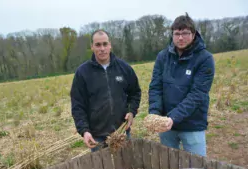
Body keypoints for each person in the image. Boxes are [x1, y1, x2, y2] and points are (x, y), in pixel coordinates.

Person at [148, 13, 215, 157]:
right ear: (172, 35)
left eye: (185, 33)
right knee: (169, 164)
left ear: (193, 34)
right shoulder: (162, 56)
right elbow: (155, 87)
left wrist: (173, 117)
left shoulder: (205, 59)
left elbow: (197, 95)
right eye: (177, 33)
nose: (180, 38)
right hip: (166, 125)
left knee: (196, 168)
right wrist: (155, 113)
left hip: (192, 125)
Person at [70, 29, 141, 152]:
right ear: (92, 47)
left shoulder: (124, 68)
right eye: (98, 45)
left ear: (110, 45)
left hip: (121, 133)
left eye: (105, 44)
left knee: (125, 168)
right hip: (96, 137)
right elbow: (77, 106)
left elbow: (135, 93)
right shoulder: (82, 73)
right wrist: (84, 131)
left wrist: (131, 112)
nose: (102, 48)